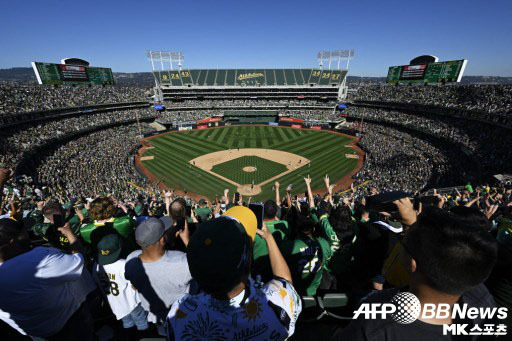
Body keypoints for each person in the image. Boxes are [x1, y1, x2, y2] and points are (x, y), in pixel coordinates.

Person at [336, 202, 499, 340]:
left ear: (411, 263)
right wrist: (413, 223)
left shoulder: (376, 320)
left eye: (404, 241)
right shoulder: (481, 297)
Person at [166, 206, 302, 340]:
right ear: (248, 263)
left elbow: (203, 266)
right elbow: (286, 283)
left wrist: (192, 247)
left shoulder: (180, 314)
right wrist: (269, 238)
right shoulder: (275, 305)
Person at [0, 218, 96, 340]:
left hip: (33, 332)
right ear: (12, 242)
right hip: (70, 323)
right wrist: (69, 234)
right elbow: (81, 261)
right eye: (22, 231)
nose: (26, 232)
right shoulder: (40, 259)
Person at [124, 216, 192, 330]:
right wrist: (187, 240)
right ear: (162, 239)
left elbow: (134, 285)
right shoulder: (181, 261)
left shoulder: (131, 259)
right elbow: (202, 267)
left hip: (156, 317)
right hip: (182, 316)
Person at [92, 234, 148, 335]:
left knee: (127, 322)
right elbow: (135, 284)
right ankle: (143, 336)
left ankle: (130, 336)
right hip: (131, 302)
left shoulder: (96, 266)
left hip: (115, 303)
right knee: (141, 321)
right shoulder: (123, 264)